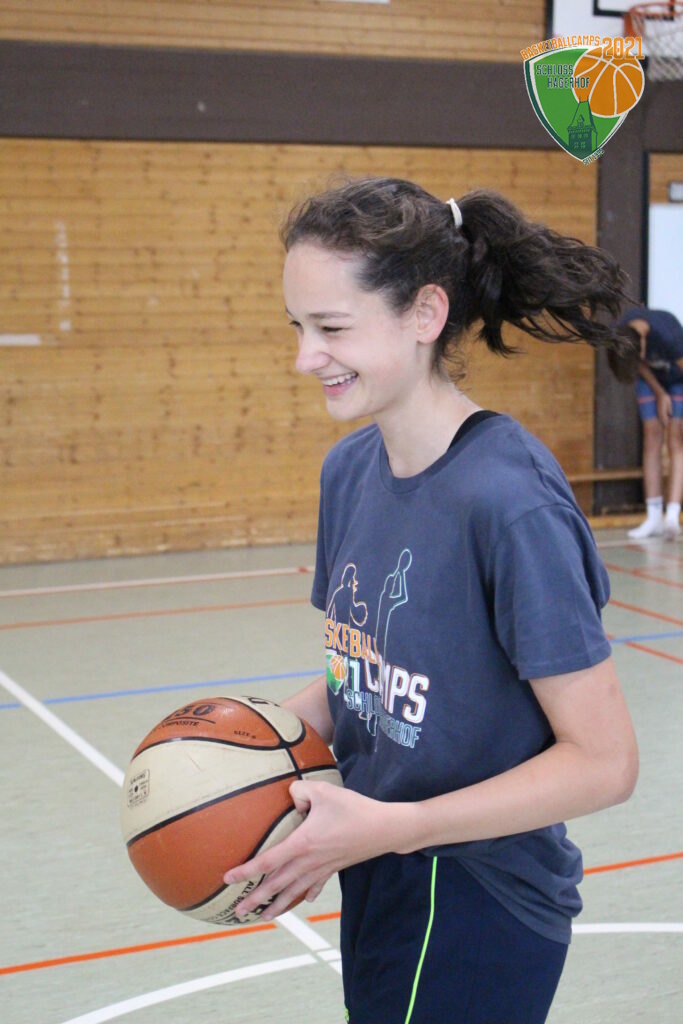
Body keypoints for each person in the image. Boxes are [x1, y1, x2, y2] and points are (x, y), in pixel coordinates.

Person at [223, 177, 639, 1024]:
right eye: (297, 328)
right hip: (382, 867)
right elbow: (361, 680)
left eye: (332, 327)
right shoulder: (349, 471)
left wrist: (397, 826)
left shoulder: (509, 502)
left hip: (478, 894)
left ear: (424, 314)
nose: (306, 357)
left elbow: (604, 764)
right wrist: (239, 744)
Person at [610, 308, 683, 540]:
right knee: (651, 435)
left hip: (679, 378)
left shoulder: (668, 334)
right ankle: (653, 517)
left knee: (675, 437)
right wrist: (659, 393)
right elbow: (639, 364)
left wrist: (671, 398)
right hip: (650, 380)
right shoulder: (623, 333)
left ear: (643, 342)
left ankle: (672, 515)